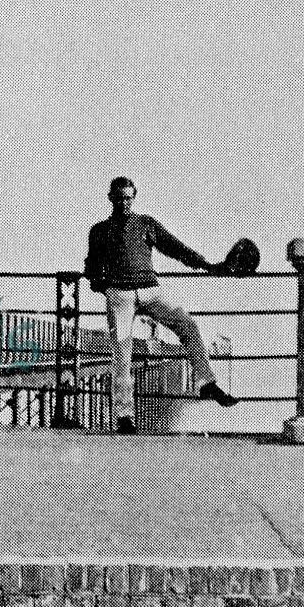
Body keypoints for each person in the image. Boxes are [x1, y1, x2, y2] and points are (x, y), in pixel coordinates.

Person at [84, 176, 239, 435]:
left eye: (129, 198)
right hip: (119, 295)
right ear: (110, 198)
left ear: (134, 198)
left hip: (150, 290)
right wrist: (99, 283)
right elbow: (91, 265)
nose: (125, 203)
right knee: (122, 354)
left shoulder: (146, 223)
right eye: (120, 198)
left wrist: (208, 265)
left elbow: (175, 248)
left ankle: (206, 382)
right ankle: (124, 417)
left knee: (188, 325)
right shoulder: (99, 230)